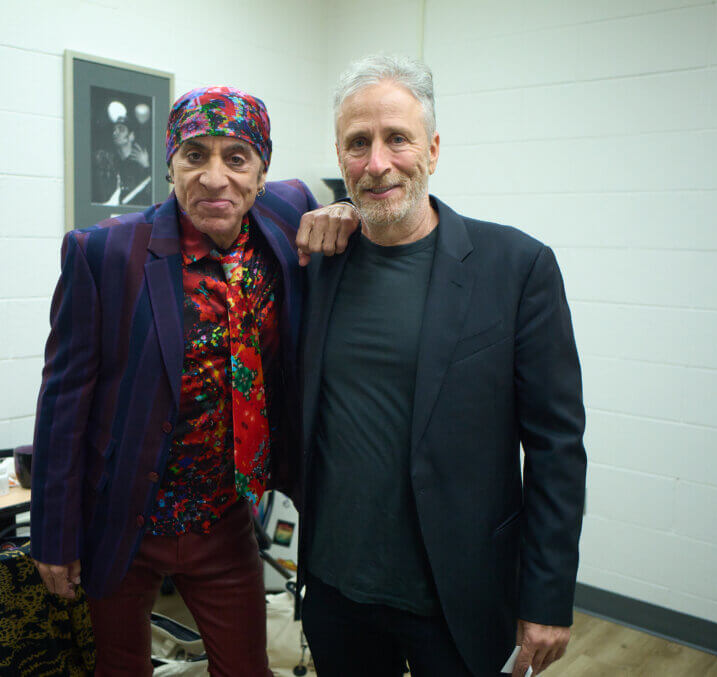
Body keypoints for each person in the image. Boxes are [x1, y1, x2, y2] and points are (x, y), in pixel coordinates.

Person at [30, 85, 355, 676]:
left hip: (224, 517)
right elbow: (63, 400)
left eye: (235, 157)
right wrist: (53, 535)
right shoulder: (103, 252)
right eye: (194, 155)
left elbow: (346, 218)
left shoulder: (288, 214)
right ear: (170, 162)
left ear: (262, 171)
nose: (213, 177)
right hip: (123, 513)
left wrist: (347, 211)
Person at [296, 55, 587, 677]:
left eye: (396, 138)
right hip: (336, 592)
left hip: (458, 599)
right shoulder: (316, 264)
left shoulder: (516, 268)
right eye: (357, 144)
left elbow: (557, 446)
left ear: (432, 149)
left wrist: (547, 596)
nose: (377, 163)